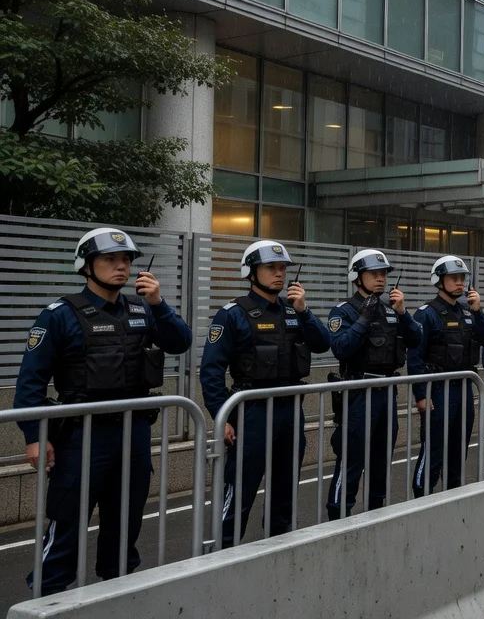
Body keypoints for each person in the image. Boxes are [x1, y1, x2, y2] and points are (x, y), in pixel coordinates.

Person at [18, 228, 192, 594]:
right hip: (82, 435)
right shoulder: (59, 315)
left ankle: (116, 593)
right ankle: (44, 598)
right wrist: (34, 437)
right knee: (67, 521)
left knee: (126, 521)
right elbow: (30, 382)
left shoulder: (142, 308)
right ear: (86, 266)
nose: (121, 267)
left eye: (126, 260)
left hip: (134, 433)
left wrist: (160, 304)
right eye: (110, 259)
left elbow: (181, 342)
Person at [201, 240, 330, 547]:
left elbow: (324, 343)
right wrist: (223, 417)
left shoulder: (293, 310)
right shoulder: (232, 314)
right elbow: (211, 370)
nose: (279, 274)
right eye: (271, 267)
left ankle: (278, 550)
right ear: (251, 272)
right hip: (251, 413)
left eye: (283, 268)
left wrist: (305, 311)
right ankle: (222, 552)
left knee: (285, 490)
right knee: (240, 489)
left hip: (289, 411)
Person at [326, 249, 421, 519]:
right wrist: (364, 319)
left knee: (381, 460)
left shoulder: (391, 309)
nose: (381, 279)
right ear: (357, 277)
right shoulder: (344, 310)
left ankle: (376, 516)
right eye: (374, 274)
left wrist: (404, 314)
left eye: (384, 274)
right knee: (351, 459)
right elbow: (341, 349)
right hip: (358, 392)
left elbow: (416, 341)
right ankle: (337, 517)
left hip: (386, 392)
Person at [406, 256, 484, 496]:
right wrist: (420, 395)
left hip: (463, 388)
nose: (460, 283)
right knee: (434, 449)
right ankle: (421, 497)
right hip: (438, 390)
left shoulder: (467, 312)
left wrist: (479, 312)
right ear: (439, 281)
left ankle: (452, 498)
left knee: (458, 447)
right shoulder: (427, 314)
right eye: (454, 278)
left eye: (462, 278)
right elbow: (415, 357)